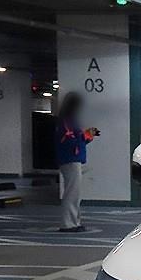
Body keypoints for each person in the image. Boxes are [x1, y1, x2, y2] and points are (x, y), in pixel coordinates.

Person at [55, 92, 99, 232]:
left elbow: (75, 141)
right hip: (70, 160)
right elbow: (70, 141)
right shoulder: (67, 122)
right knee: (72, 193)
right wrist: (85, 135)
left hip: (72, 159)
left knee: (74, 193)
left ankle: (74, 222)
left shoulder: (69, 121)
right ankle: (68, 223)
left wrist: (87, 136)